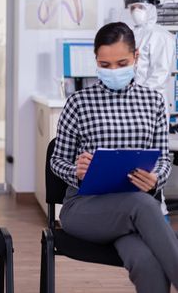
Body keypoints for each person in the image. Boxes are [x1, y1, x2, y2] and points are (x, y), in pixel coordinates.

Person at [51, 22, 178, 293]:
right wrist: (77, 170)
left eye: (121, 63)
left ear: (136, 57)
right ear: (95, 60)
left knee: (147, 262)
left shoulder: (154, 101)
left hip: (133, 211)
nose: (113, 71)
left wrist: (155, 178)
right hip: (85, 208)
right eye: (105, 65)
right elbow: (57, 160)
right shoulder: (79, 103)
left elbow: (164, 160)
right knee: (143, 205)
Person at [124, 0, 176, 220]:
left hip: (149, 107)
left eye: (141, 7)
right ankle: (135, 215)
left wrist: (138, 98)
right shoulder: (131, 35)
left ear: (152, 8)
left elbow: (160, 75)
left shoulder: (161, 35)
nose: (136, 11)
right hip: (129, 106)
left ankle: (158, 216)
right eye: (132, 7)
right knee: (130, 165)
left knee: (150, 166)